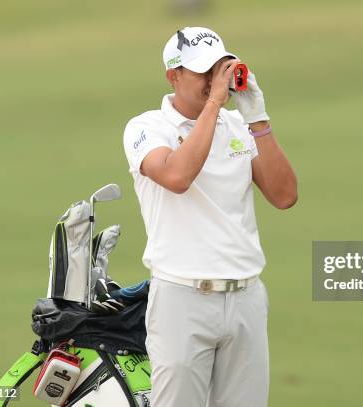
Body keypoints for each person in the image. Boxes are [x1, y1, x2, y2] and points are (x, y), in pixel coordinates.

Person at [122, 26, 297, 407]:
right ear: (173, 75)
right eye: (203, 71)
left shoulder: (239, 127)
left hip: (246, 297)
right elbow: (176, 176)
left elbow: (285, 196)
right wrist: (216, 104)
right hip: (182, 299)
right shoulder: (147, 127)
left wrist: (258, 119)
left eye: (219, 67)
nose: (213, 79)